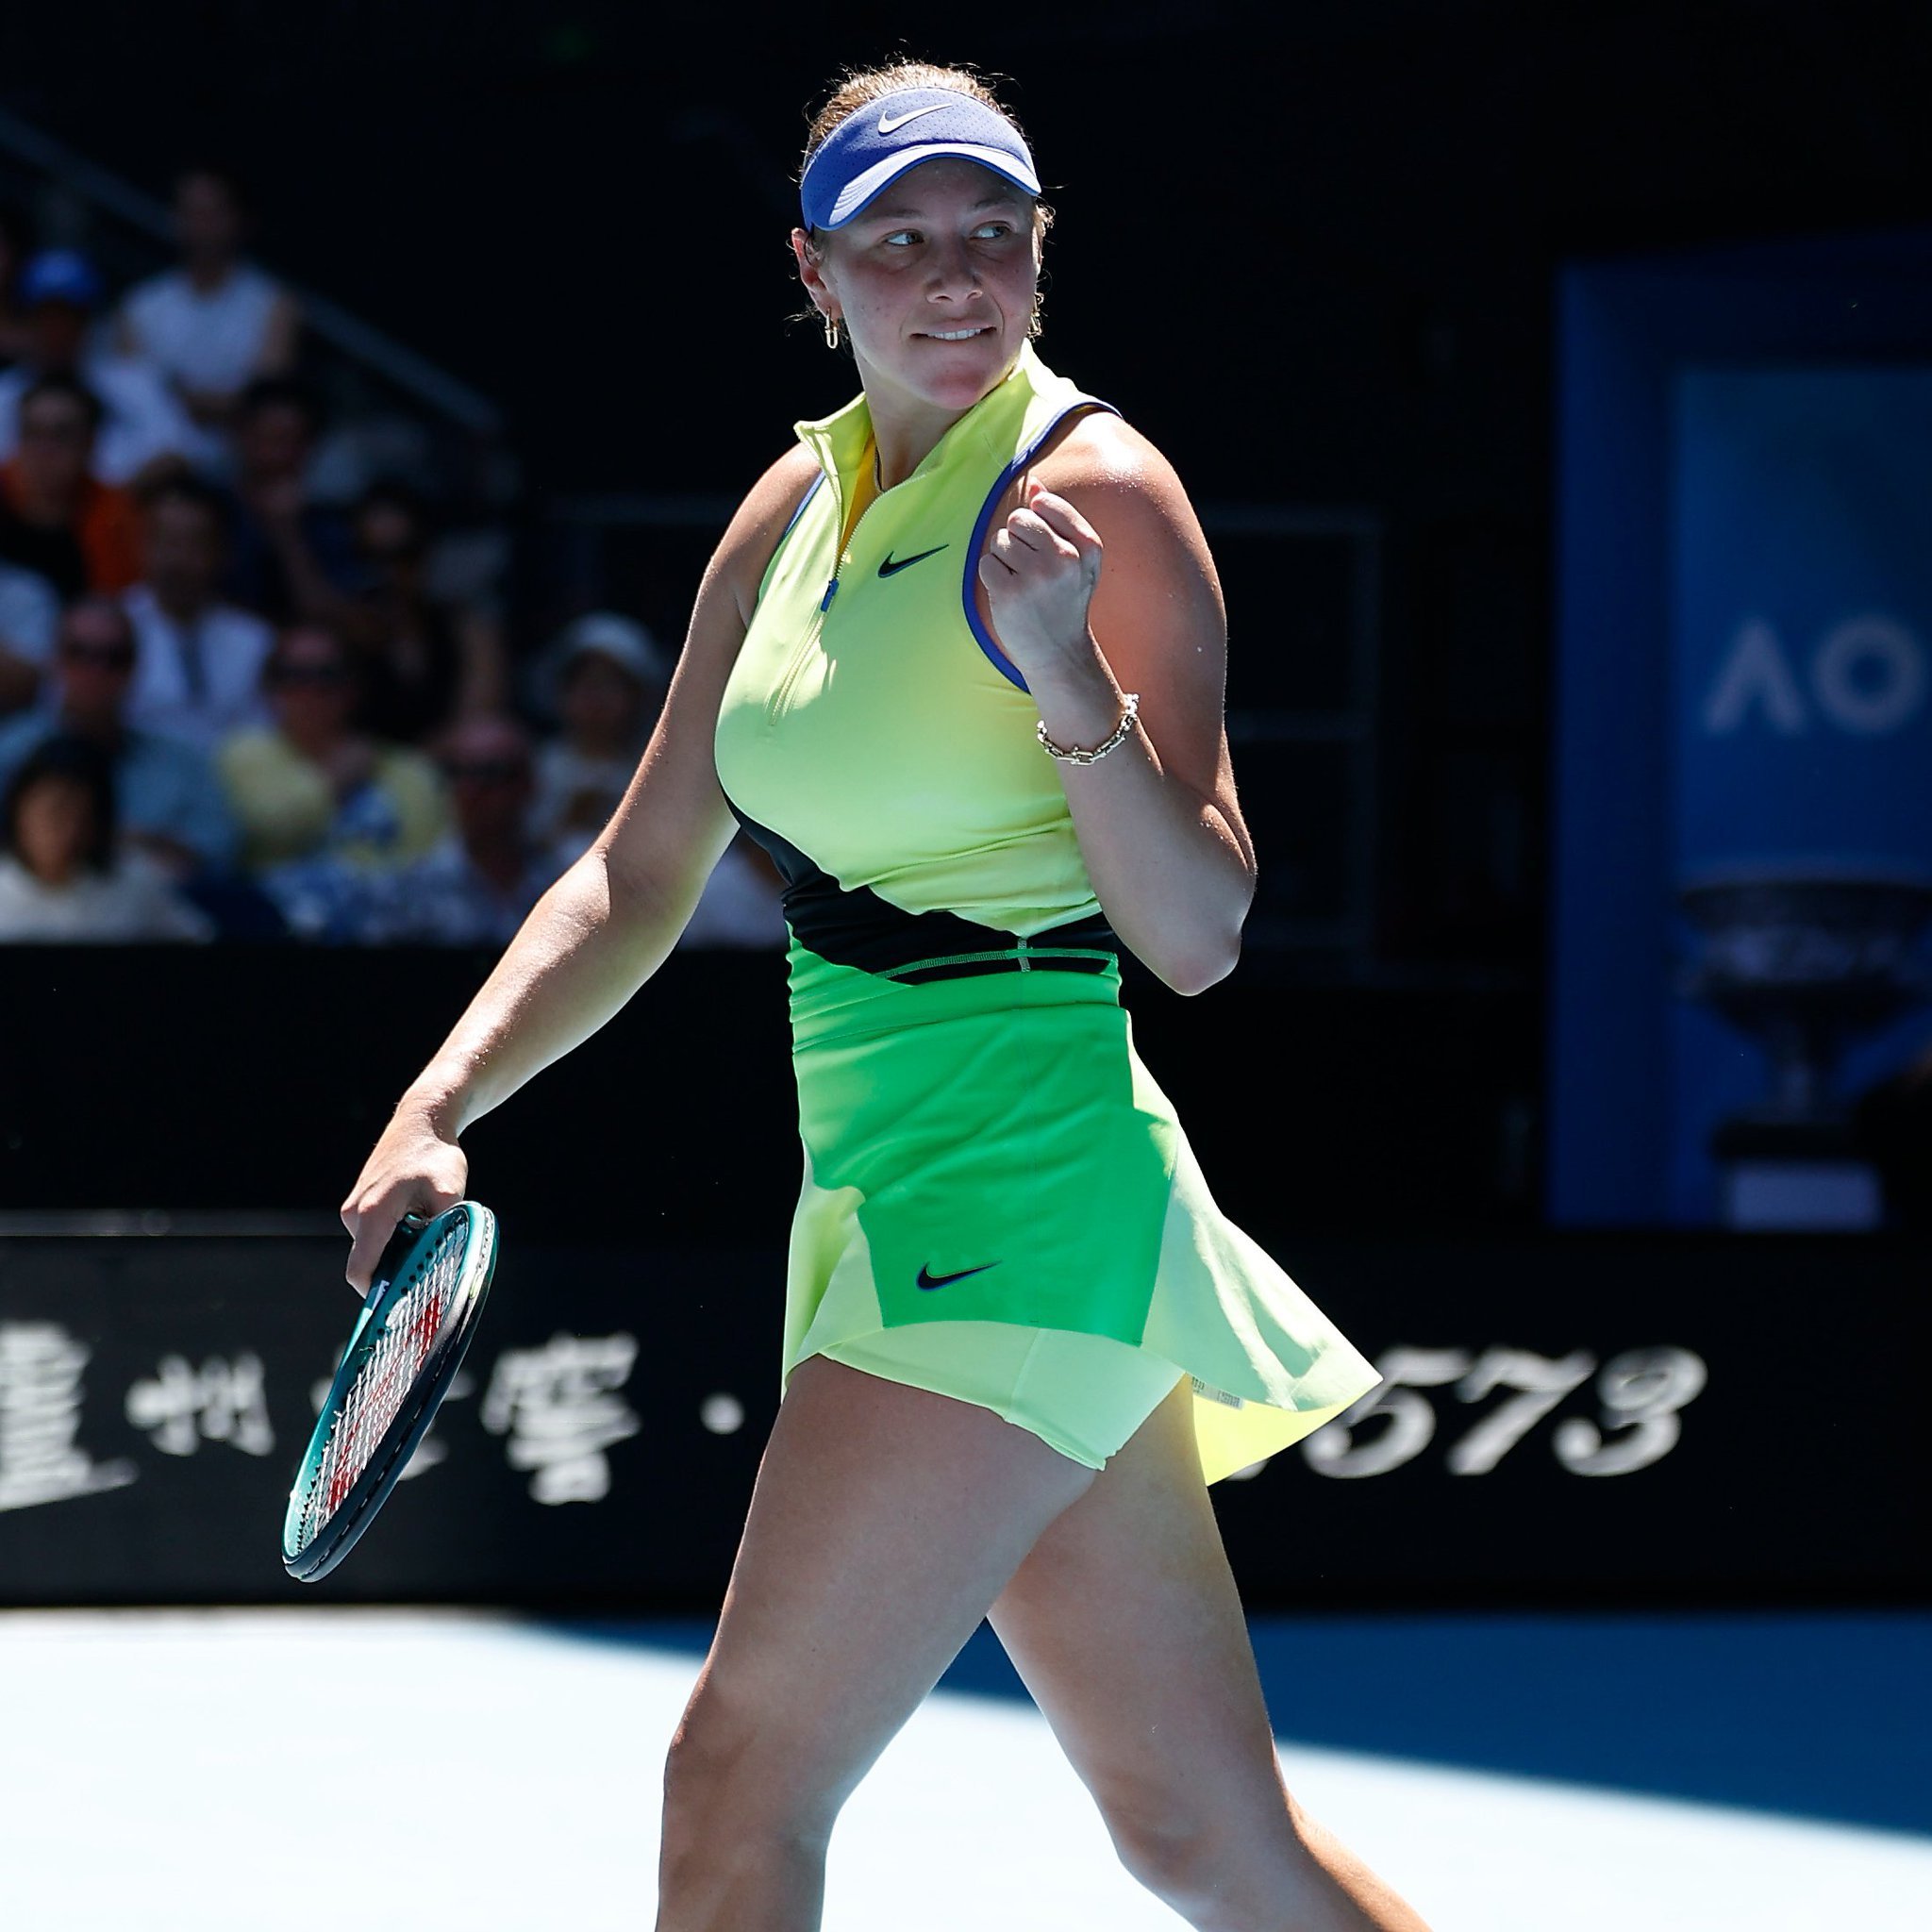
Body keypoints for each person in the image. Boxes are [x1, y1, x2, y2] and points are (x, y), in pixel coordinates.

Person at [339, 62, 1427, 1932]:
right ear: (815, 269)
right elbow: (639, 867)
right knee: (1201, 1836)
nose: (952, 276)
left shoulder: (1097, 493)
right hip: (872, 1180)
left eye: (991, 234)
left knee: (741, 1777)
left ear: (1038, 254)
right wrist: (436, 1102)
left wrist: (1070, 683)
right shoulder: (792, 503)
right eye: (900, 239)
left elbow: (1198, 931)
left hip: (1019, 1196)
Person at [531, 609, 785, 946]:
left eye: (611, 684)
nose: (596, 698)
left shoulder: (666, 767)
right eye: (584, 682)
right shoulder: (531, 768)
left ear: (639, 694)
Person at [0, 595, 237, 882]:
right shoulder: (9, 752)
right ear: (54, 659)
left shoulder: (181, 761)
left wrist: (132, 844)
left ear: (136, 666)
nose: (96, 670)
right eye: (79, 652)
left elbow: (219, 846)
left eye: (114, 658)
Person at [218, 621, 444, 878]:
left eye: (327, 675)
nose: (310, 690)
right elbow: (261, 835)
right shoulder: (243, 754)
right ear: (271, 689)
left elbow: (430, 862)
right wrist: (334, 781)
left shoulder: (409, 770)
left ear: (354, 686)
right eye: (294, 675)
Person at [113, 163, 301, 471]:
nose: (201, 225)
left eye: (212, 213)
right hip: (157, 463)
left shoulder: (275, 305)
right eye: (191, 212)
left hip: (242, 464)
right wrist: (216, 404)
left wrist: (181, 396)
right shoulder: (141, 304)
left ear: (239, 219)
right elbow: (129, 397)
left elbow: (265, 402)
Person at [0, 249, 198, 488]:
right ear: (28, 320)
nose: (58, 329)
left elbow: (180, 450)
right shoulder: (4, 393)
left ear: (89, 320)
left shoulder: (135, 381)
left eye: (69, 316)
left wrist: (106, 501)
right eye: (46, 316)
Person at [340, 477, 507, 742]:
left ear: (427, 552)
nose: (387, 572)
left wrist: (403, 763)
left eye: (403, 554)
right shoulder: (340, 636)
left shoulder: (466, 630)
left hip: (440, 765)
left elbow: (475, 721)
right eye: (371, 556)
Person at [0, 733, 210, 941]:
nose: (68, 831)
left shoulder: (134, 882)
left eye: (82, 817)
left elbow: (197, 939)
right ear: (18, 811)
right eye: (54, 812)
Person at [122, 473, 275, 750]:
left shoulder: (254, 641)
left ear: (221, 552)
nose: (176, 560)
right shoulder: (113, 630)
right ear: (141, 545)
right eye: (165, 541)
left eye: (193, 544)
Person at [0, 374, 144, 602]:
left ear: (90, 444)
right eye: (32, 433)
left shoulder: (116, 515)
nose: (44, 450)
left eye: (61, 436)